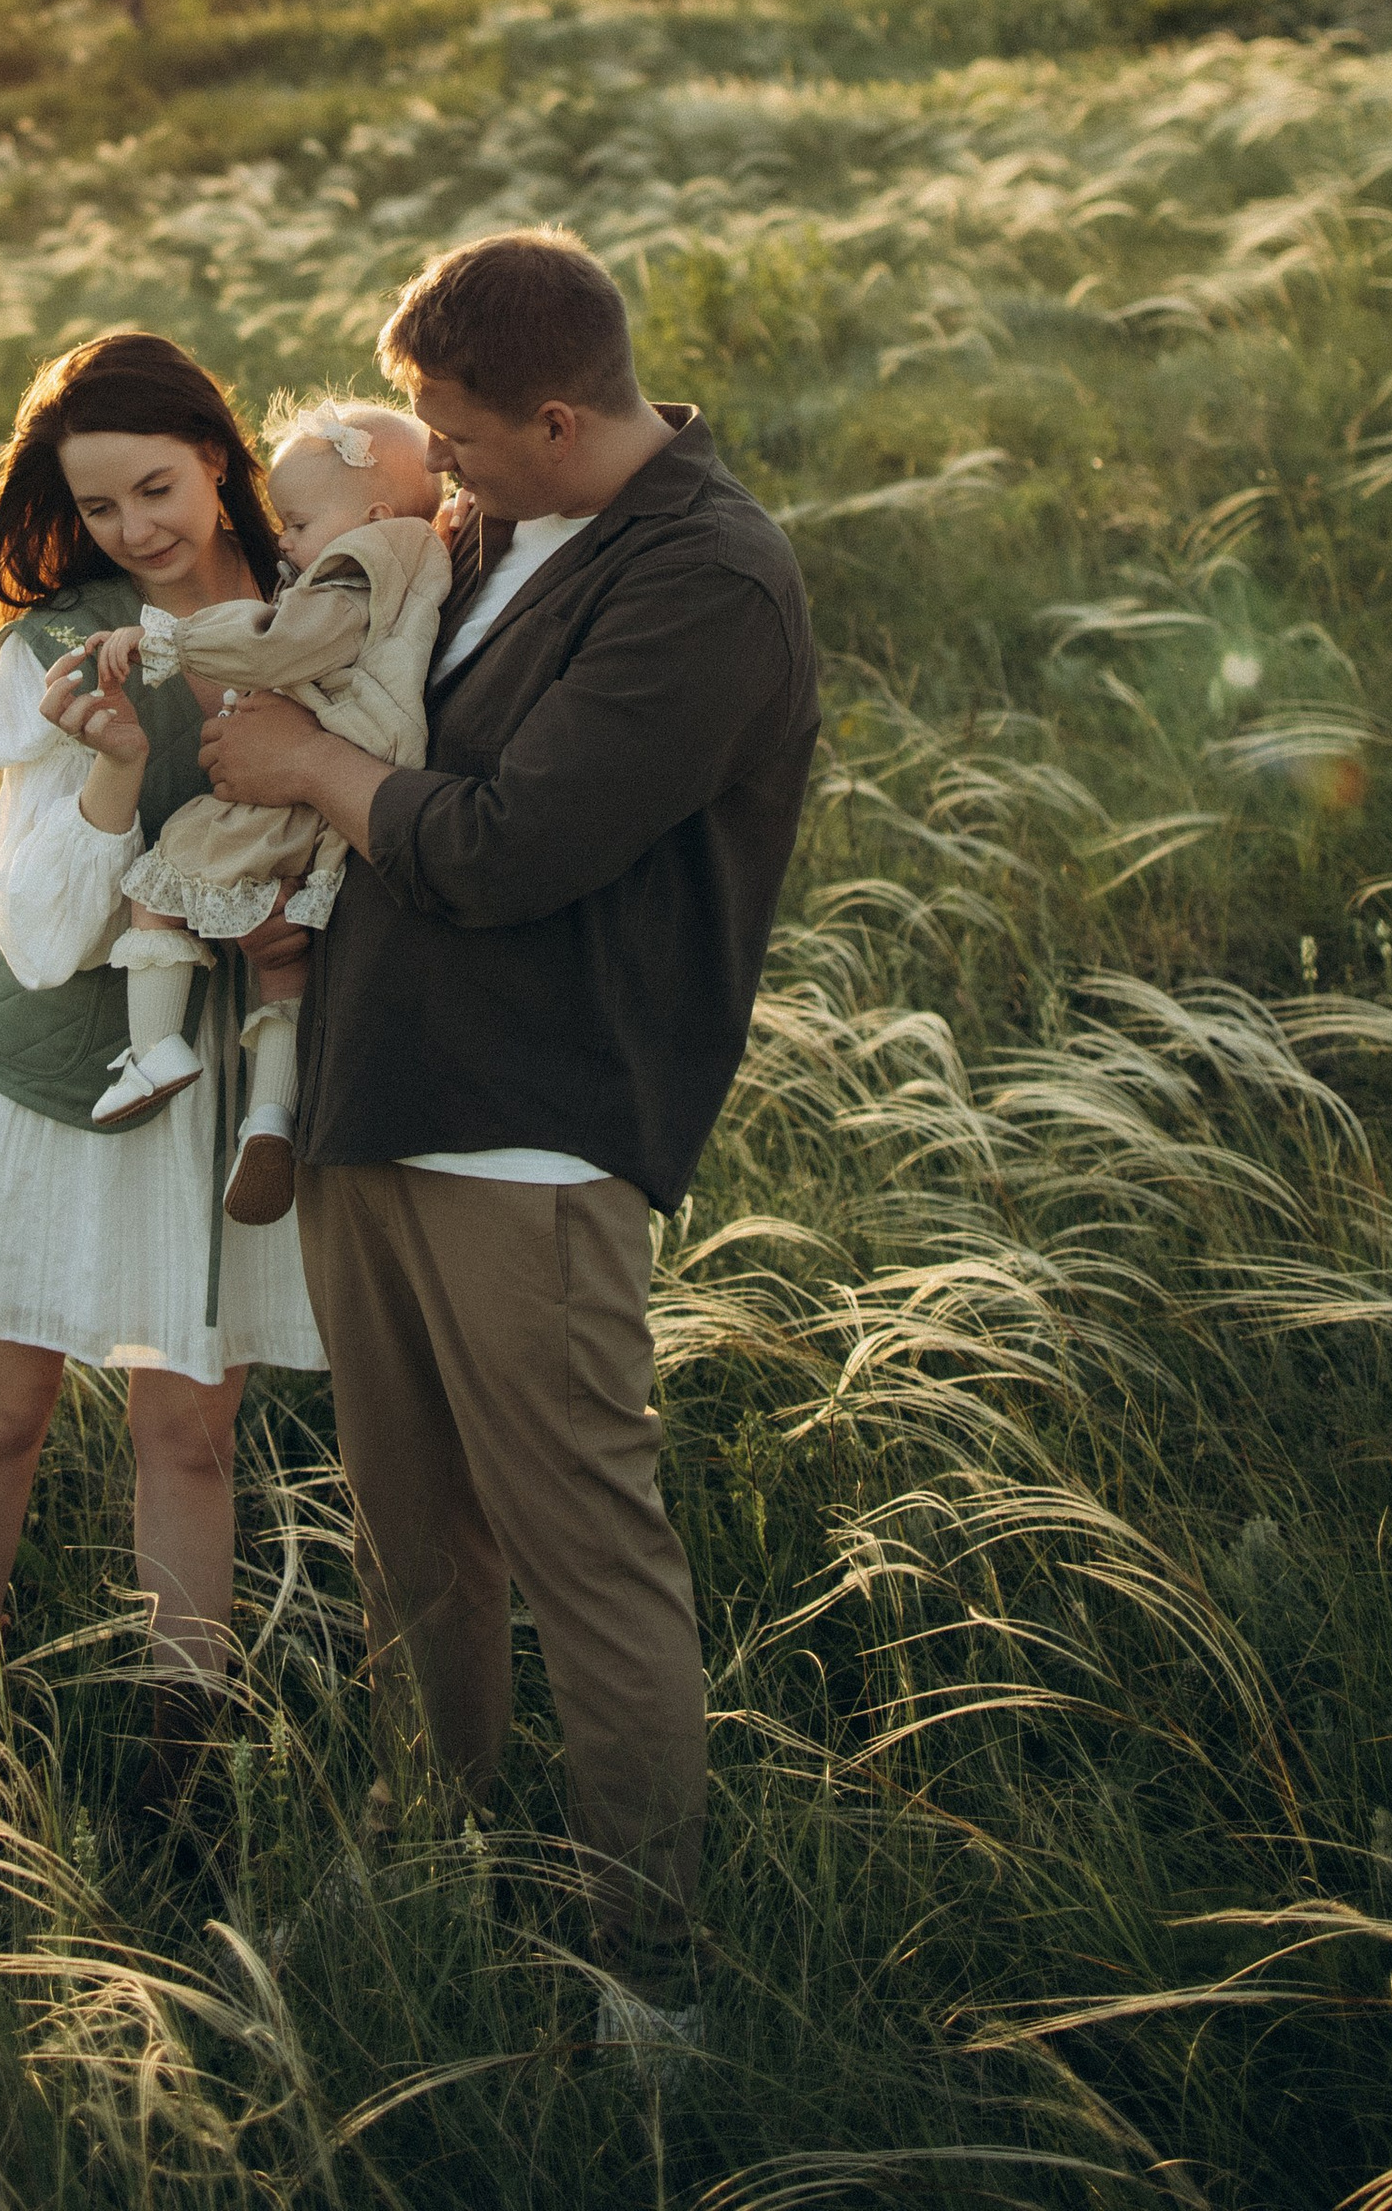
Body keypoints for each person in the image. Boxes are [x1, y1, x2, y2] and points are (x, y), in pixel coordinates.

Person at [199, 226, 819, 2055]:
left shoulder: (706, 579)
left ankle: (648, 1965)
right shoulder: (482, 528)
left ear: (558, 413)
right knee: (413, 1536)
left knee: (581, 1549)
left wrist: (312, 778)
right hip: (374, 1096)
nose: (426, 455)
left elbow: (511, 845)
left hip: (538, 1127)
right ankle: (432, 1850)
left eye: (452, 427)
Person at [0, 328, 326, 1805]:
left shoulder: (328, 608)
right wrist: (118, 771)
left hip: (226, 1068)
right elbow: (50, 930)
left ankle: (182, 1761)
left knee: (188, 1428)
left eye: (159, 486)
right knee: (4, 1406)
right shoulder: (60, 645)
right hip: (64, 1057)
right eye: (104, 506)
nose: (138, 528)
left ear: (218, 455)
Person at [82, 400, 448, 1229]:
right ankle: (270, 1121)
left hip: (310, 772)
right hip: (354, 785)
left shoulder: (357, 564)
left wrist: (171, 642)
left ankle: (153, 1049)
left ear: (373, 515)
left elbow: (287, 646)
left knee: (163, 873)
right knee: (284, 967)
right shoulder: (416, 553)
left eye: (298, 521)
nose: (281, 540)